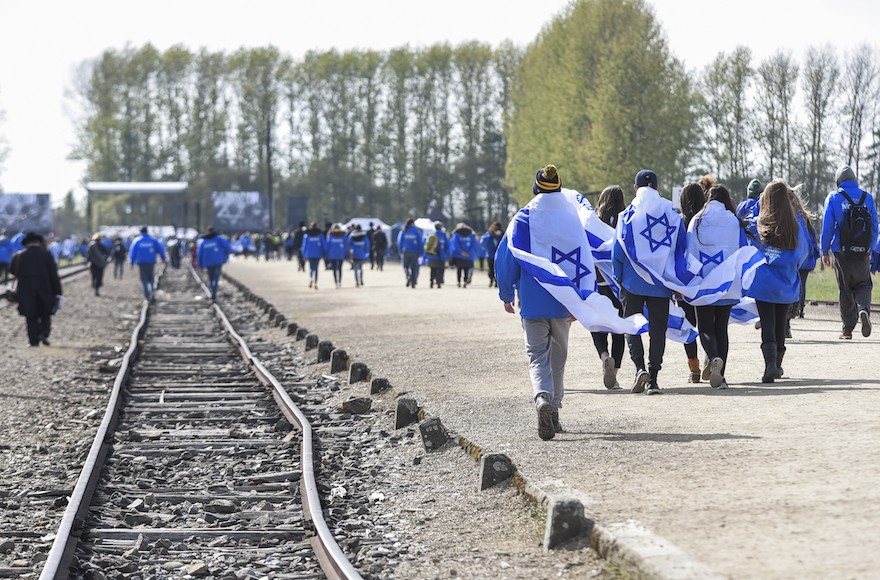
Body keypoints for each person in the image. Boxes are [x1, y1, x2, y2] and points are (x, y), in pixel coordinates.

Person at [495, 164, 573, 440]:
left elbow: (505, 258)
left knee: (537, 357)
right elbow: (582, 257)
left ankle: (541, 397)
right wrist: (580, 299)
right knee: (558, 359)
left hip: (531, 301)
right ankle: (554, 412)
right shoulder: (570, 218)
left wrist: (506, 294)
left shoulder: (522, 219)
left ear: (535, 189)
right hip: (563, 301)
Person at [612, 169, 685, 395]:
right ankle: (653, 377)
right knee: (658, 330)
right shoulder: (671, 214)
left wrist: (619, 276)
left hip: (633, 282)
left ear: (635, 189)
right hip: (661, 283)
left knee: (632, 326)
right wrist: (679, 282)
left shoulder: (627, 215)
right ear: (657, 187)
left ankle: (639, 368)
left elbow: (618, 250)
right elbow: (680, 248)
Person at [687, 184, 752, 389]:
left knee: (705, 327)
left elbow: (688, 253)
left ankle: (713, 357)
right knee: (721, 328)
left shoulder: (696, 220)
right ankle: (721, 376)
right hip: (728, 284)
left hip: (703, 283)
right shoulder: (734, 221)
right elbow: (743, 251)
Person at [820, 165, 879, 339]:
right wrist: (869, 248)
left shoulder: (833, 197)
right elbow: (875, 226)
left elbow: (828, 227)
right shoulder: (867, 198)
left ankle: (847, 330)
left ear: (838, 181)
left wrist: (825, 251)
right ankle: (863, 310)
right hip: (862, 251)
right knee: (864, 284)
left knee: (845, 288)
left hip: (842, 251)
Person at [590, 186, 627, 390]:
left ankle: (604, 356)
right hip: (617, 284)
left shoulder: (594, 221)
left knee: (597, 326)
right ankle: (614, 374)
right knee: (619, 329)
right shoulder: (625, 219)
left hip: (596, 284)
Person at [9, 232, 62, 347]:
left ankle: (33, 341)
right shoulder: (46, 254)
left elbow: (12, 270)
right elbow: (54, 275)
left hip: (25, 291)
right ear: (38, 242)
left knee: (30, 316)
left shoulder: (19, 256)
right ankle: (44, 333)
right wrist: (58, 291)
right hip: (45, 289)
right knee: (45, 313)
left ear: (26, 243)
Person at [679, 181, 708, 383]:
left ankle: (694, 368)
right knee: (707, 325)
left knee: (689, 327)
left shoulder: (679, 222)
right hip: (706, 280)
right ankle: (711, 359)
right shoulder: (706, 221)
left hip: (684, 282)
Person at [128, 226, 167, 301]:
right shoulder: (153, 240)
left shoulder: (137, 241)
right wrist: (164, 259)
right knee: (151, 278)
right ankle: (151, 291)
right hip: (151, 262)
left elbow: (133, 252)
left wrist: (131, 262)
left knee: (144, 279)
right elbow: (160, 249)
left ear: (140, 232)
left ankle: (147, 294)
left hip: (141, 262)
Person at [197, 226, 234, 301]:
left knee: (211, 278)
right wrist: (228, 254)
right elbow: (228, 247)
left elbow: (199, 254)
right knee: (216, 278)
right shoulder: (219, 239)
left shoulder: (204, 241)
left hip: (208, 262)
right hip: (218, 262)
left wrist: (200, 264)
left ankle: (212, 292)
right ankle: (214, 292)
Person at [449, 223, 480, 288]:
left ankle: (459, 282)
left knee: (459, 269)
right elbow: (473, 245)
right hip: (468, 256)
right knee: (466, 269)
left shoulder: (456, 235)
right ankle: (465, 282)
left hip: (459, 256)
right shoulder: (471, 235)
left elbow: (455, 245)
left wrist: (461, 252)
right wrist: (469, 253)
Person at [398, 218, 423, 288]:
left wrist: (400, 251)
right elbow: (420, 242)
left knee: (405, 266)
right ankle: (413, 282)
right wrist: (421, 253)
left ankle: (407, 275)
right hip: (415, 252)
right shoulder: (416, 231)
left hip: (406, 251)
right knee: (414, 268)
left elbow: (400, 242)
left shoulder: (404, 230)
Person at [301, 222, 327, 290]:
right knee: (316, 269)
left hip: (309, 254)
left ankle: (310, 280)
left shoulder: (307, 235)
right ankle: (315, 283)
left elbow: (304, 246)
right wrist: (325, 253)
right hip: (318, 254)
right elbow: (324, 244)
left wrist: (304, 254)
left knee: (311, 269)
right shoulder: (320, 234)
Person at [424, 221, 449, 288]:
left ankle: (431, 282)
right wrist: (446, 255)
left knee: (433, 270)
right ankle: (438, 283)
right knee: (440, 270)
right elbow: (447, 245)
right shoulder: (443, 235)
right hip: (441, 256)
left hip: (432, 255)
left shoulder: (432, 234)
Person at [481, 222, 504, 288]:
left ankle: (496, 281)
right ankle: (492, 279)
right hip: (491, 255)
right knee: (492, 269)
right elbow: (484, 242)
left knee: (496, 269)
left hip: (497, 255)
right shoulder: (489, 235)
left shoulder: (502, 234)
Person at [326, 224, 349, 289]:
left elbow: (328, 245)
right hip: (341, 254)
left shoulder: (330, 235)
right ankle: (340, 282)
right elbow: (346, 245)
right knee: (340, 269)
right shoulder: (343, 235)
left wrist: (327, 254)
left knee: (334, 270)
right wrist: (346, 254)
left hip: (332, 255)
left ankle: (336, 282)